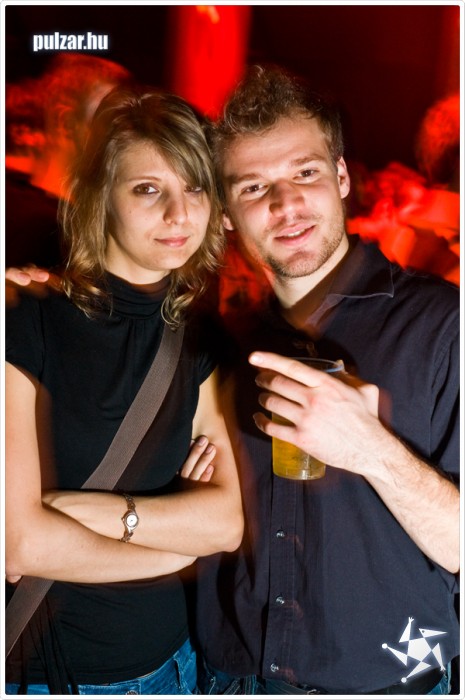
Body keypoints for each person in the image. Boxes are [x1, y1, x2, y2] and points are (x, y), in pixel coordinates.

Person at [193, 65, 460, 695]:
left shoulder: (443, 325)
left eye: (306, 173)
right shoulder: (223, 344)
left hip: (386, 682)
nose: (285, 205)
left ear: (342, 178)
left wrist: (370, 449)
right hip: (234, 677)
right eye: (254, 186)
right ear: (226, 214)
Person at [5, 84, 243, 695]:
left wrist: (86, 512)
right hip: (61, 678)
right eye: (148, 190)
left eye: (195, 188)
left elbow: (224, 523)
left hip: (177, 665)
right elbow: (20, 543)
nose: (179, 214)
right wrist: (173, 551)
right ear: (99, 197)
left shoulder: (200, 337)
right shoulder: (24, 315)